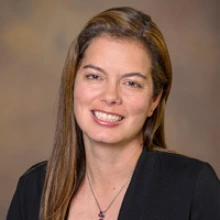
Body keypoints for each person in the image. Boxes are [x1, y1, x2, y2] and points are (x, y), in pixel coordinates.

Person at [7, 6, 220, 220]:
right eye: (94, 76)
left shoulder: (194, 187)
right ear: (72, 83)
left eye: (131, 83)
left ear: (154, 100)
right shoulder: (33, 189)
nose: (110, 96)